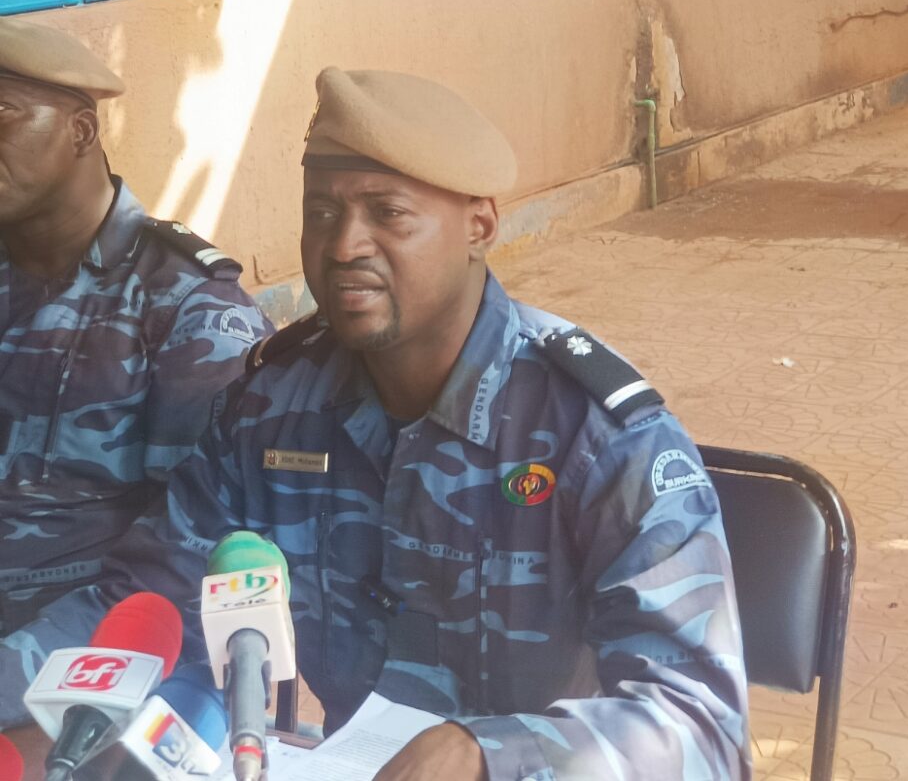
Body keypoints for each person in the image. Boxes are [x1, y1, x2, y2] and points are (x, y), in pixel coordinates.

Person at [0, 68, 751, 779]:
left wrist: (488, 753)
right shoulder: (273, 407)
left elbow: (701, 728)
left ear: (478, 224)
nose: (343, 245)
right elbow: (155, 597)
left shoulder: (597, 435)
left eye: (387, 213)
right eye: (321, 213)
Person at [0, 19, 274, 645]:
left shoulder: (189, 308)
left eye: (1, 114)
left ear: (81, 130)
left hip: (76, 646)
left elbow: (198, 549)